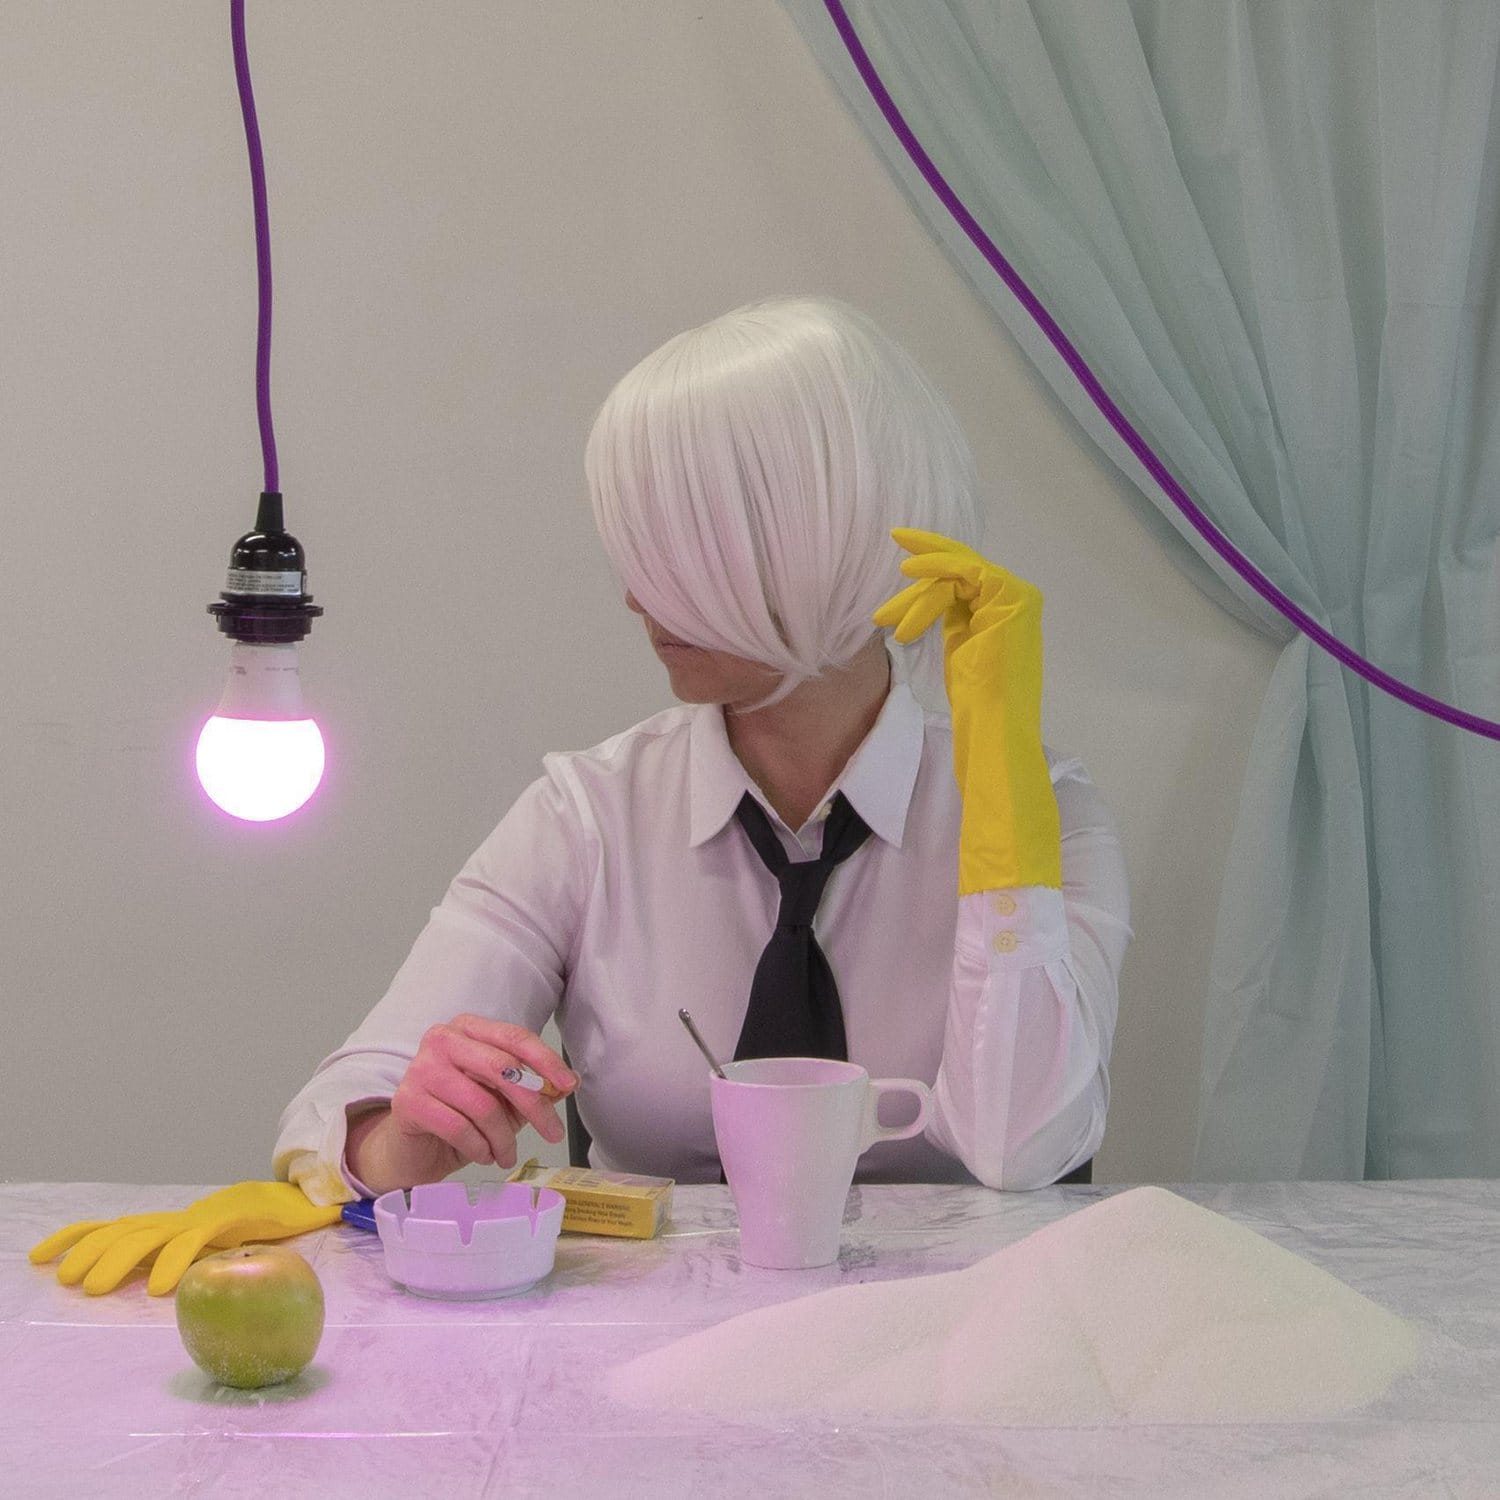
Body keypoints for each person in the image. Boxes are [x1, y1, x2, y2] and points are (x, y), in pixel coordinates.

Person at [273, 295, 1131, 1205]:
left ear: (817, 540)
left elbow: (1022, 1147)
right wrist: (403, 1135)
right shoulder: (587, 816)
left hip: (959, 1335)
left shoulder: (1046, 813)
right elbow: (336, 1112)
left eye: (679, 549)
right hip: (652, 1336)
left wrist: (1002, 816)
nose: (636, 598)